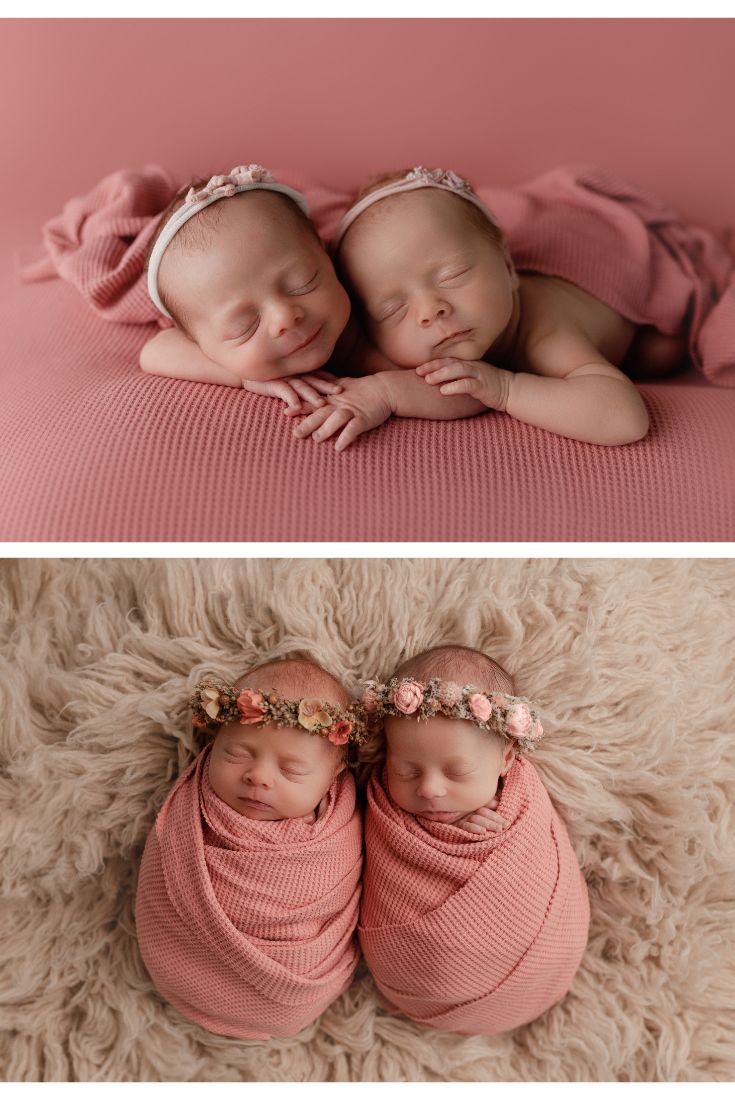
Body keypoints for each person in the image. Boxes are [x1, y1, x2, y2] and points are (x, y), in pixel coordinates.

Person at [294, 165, 674, 447]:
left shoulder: (546, 333)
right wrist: (381, 392)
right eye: (393, 309)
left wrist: (506, 389)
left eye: (452, 275)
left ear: (508, 267)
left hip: (608, 284)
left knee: (662, 352)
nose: (430, 310)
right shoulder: (388, 338)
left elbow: (625, 420)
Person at [357, 644, 590, 1036]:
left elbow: (542, 864)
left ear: (505, 759)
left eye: (458, 772)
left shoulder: (520, 803)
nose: (430, 789)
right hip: (419, 977)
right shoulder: (384, 810)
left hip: (540, 960)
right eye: (407, 771)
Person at [135, 653, 366, 1039]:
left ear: (334, 776)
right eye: (237, 754)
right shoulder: (191, 812)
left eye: (292, 770)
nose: (258, 776)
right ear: (213, 743)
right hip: (183, 970)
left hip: (296, 986)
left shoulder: (337, 832)